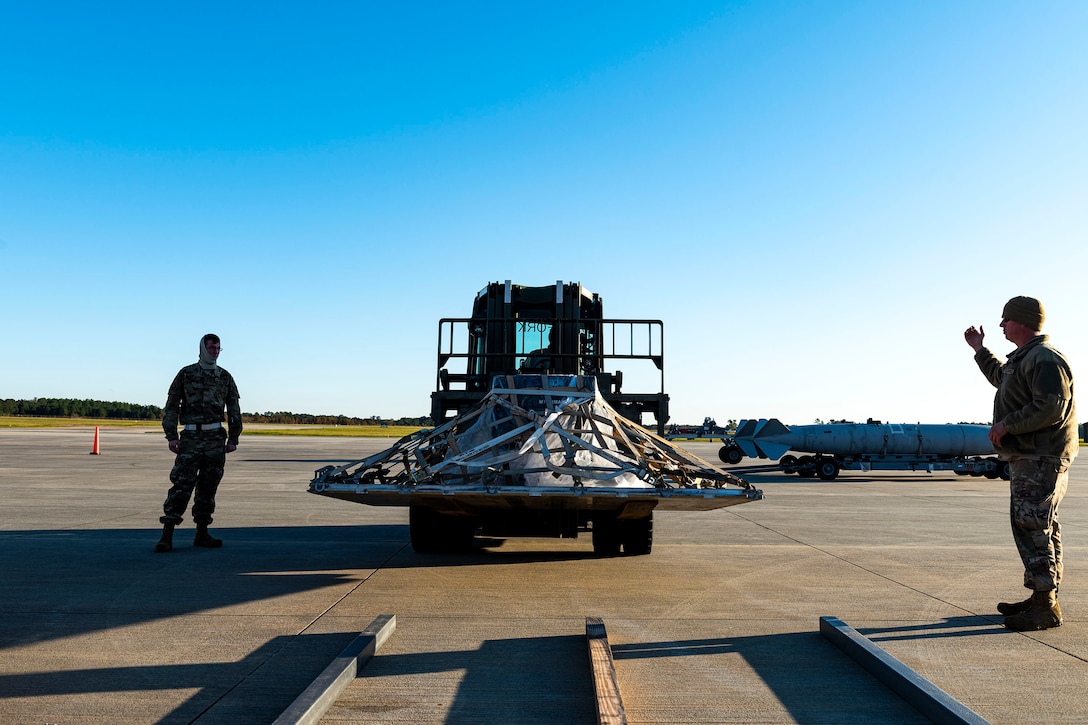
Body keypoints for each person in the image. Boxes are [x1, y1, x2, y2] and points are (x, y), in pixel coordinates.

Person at [964, 296, 1077, 631]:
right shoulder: (1026, 358)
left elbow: (1050, 407)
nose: (1001, 325)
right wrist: (979, 349)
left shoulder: (1044, 358)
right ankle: (1043, 597)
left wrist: (1007, 426)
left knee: (1034, 528)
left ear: (1022, 321)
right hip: (1030, 457)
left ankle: (1045, 607)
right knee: (1038, 526)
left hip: (1040, 457)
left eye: (1005, 320)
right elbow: (1003, 378)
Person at [154, 333, 242, 552]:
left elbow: (233, 409)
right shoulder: (186, 374)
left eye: (218, 349)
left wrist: (234, 438)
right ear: (203, 348)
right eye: (211, 348)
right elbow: (172, 406)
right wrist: (171, 435)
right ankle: (167, 535)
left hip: (215, 440)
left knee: (208, 487)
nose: (214, 352)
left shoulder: (225, 377)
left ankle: (202, 533)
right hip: (191, 438)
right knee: (182, 484)